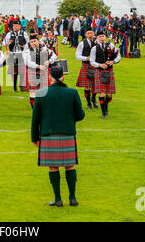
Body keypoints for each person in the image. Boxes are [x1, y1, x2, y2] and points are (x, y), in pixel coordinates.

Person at [31, 66, 85, 207]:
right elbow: (80, 115)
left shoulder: (41, 93)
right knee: (70, 166)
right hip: (67, 133)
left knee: (53, 167)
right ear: (63, 77)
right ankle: (72, 198)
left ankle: (58, 199)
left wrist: (34, 137)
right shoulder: (72, 92)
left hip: (48, 134)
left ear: (50, 77)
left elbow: (35, 119)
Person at [89, 29, 121, 119]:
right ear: (97, 38)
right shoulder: (94, 48)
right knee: (102, 93)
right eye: (100, 37)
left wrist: (113, 61)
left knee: (109, 94)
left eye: (103, 36)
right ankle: (104, 112)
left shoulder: (111, 45)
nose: (102, 38)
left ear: (105, 37)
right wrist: (99, 65)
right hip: (99, 71)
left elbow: (118, 56)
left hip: (109, 71)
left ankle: (106, 105)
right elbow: (91, 61)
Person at [23, 34, 57, 108]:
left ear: (38, 41)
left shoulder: (45, 49)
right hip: (32, 72)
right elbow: (27, 62)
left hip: (43, 73)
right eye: (31, 42)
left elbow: (54, 55)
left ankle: (43, 110)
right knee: (33, 92)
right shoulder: (27, 52)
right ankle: (35, 111)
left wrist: (49, 61)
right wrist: (38, 66)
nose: (33, 43)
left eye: (35, 41)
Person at [75, 28, 98, 110]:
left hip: (95, 66)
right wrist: (86, 58)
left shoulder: (97, 42)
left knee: (95, 85)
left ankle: (93, 99)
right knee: (87, 86)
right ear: (85, 34)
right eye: (88, 33)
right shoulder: (82, 44)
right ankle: (89, 104)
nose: (90, 35)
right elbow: (77, 56)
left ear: (94, 34)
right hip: (86, 65)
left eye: (91, 33)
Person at [4, 20, 29, 92]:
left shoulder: (24, 33)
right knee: (14, 71)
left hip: (21, 54)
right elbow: (4, 43)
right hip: (12, 54)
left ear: (20, 26)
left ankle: (21, 85)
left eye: (16, 26)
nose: (15, 27)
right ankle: (14, 88)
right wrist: (8, 43)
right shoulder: (9, 34)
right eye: (14, 26)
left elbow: (28, 42)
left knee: (21, 71)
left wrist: (25, 46)